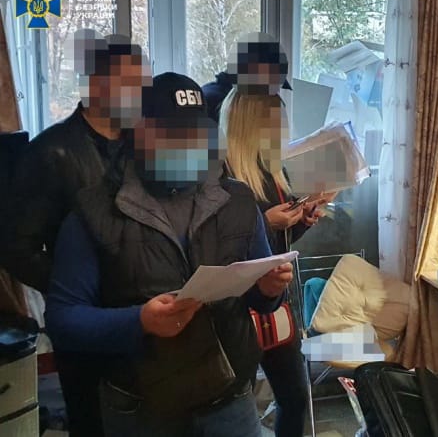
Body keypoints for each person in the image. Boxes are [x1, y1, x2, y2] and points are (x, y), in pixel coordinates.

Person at [45, 72, 292, 437]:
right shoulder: (94, 213)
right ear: (138, 132)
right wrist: (139, 321)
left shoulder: (237, 200)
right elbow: (63, 320)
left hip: (230, 399)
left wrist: (270, 289)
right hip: (141, 407)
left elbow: (259, 293)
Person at [0, 30, 151, 437]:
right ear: (98, 85)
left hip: (140, 315)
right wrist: (73, 289)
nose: (140, 95)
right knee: (94, 422)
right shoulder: (50, 153)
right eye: (131, 84)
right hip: (86, 326)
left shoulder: (143, 146)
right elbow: (15, 246)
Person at [209, 33, 327, 437]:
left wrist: (299, 221)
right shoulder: (219, 176)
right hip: (235, 312)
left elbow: (278, 246)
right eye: (274, 121)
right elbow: (217, 247)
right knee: (234, 407)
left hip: (276, 304)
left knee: (295, 398)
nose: (282, 128)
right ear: (250, 124)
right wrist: (266, 222)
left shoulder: (274, 172)